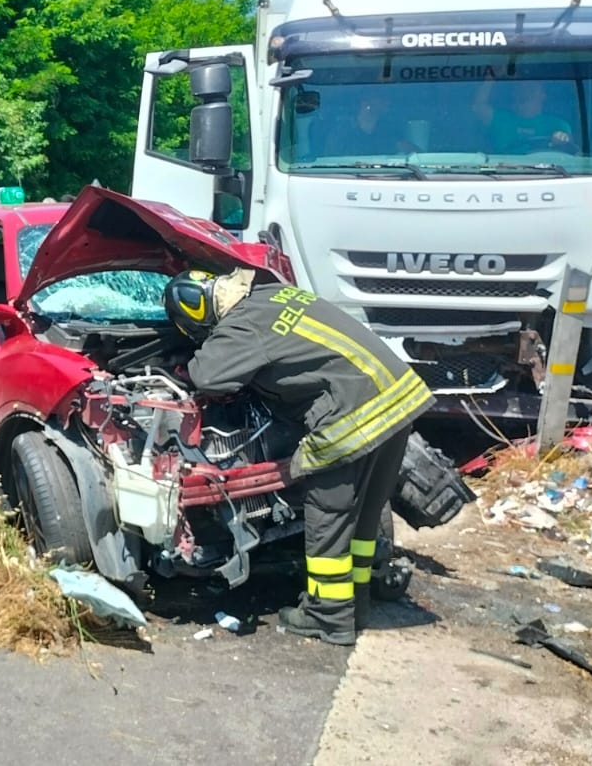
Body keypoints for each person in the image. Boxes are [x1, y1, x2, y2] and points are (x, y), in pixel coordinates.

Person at [162, 268, 436, 646]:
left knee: (329, 513)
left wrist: (190, 357)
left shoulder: (242, 325)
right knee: (364, 513)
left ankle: (327, 617)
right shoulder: (272, 295)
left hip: (352, 414)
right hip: (397, 397)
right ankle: (357, 605)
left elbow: (207, 377)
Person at [474, 79, 574, 154]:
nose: (525, 93)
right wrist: (491, 78)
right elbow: (478, 106)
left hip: (547, 176)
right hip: (501, 174)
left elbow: (569, 147)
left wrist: (561, 140)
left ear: (543, 95)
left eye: (531, 89)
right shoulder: (500, 119)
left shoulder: (558, 125)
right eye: (520, 89)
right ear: (514, 93)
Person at [320, 89, 418, 157]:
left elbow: (411, 151)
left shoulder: (389, 129)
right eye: (382, 98)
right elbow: (329, 158)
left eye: (387, 99)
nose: (388, 102)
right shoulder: (342, 130)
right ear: (366, 103)